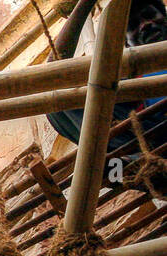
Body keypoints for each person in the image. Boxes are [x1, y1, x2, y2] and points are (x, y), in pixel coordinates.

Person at [46, 0, 167, 158]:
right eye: (133, 26)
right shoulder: (129, 76)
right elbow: (54, 73)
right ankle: (133, 160)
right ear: (126, 43)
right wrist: (85, 4)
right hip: (152, 136)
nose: (145, 25)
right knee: (56, 102)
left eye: (149, 15)